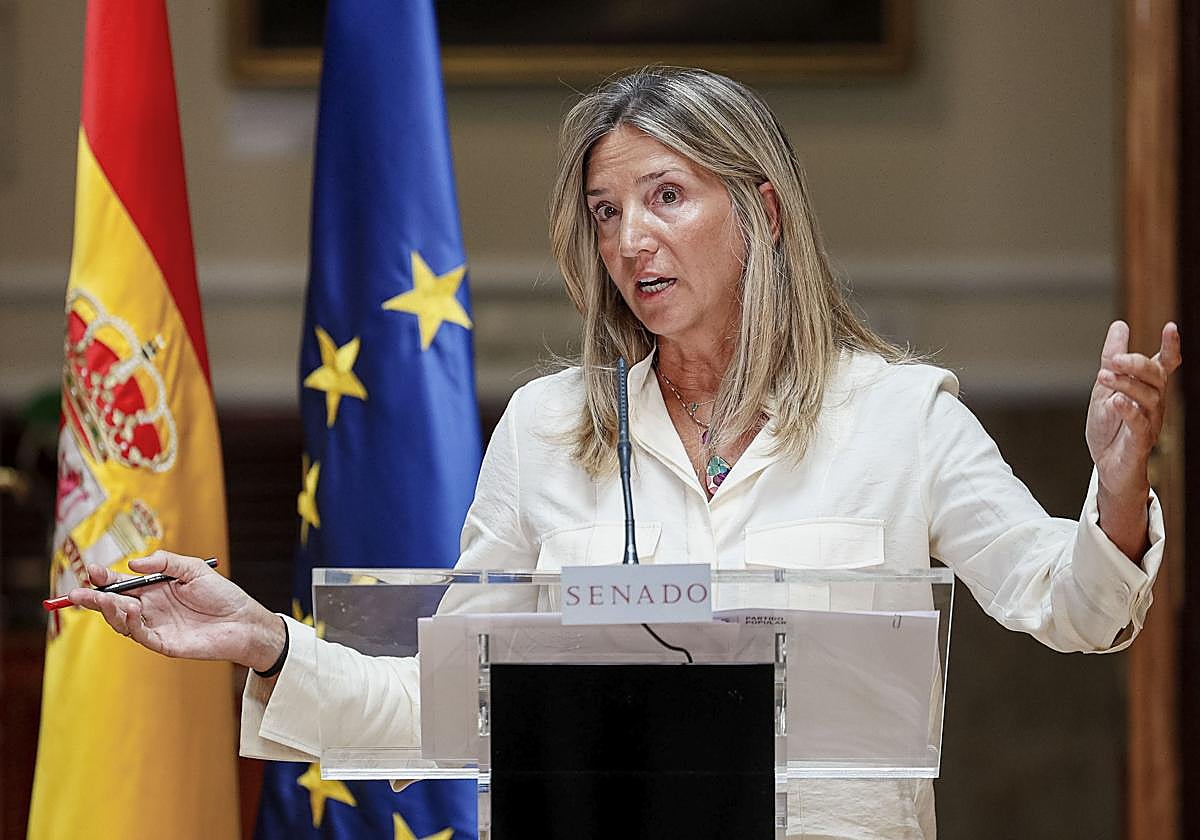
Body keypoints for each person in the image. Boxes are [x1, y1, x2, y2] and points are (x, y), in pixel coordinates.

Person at [68, 67, 1180, 839]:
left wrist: (1118, 483)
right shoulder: (548, 429)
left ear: (764, 214)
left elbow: (1074, 605)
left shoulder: (901, 417)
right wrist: (265, 643)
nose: (629, 240)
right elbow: (447, 708)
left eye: (665, 197)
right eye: (605, 212)